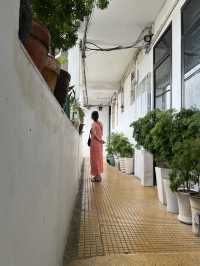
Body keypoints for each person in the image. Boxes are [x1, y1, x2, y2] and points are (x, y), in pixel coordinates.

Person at [90, 111, 104, 182]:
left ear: (92, 117)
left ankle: (98, 177)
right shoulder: (100, 124)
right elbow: (101, 134)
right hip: (100, 145)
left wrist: (99, 140)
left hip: (95, 144)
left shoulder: (93, 124)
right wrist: (101, 140)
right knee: (99, 159)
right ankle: (97, 176)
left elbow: (95, 135)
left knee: (94, 160)